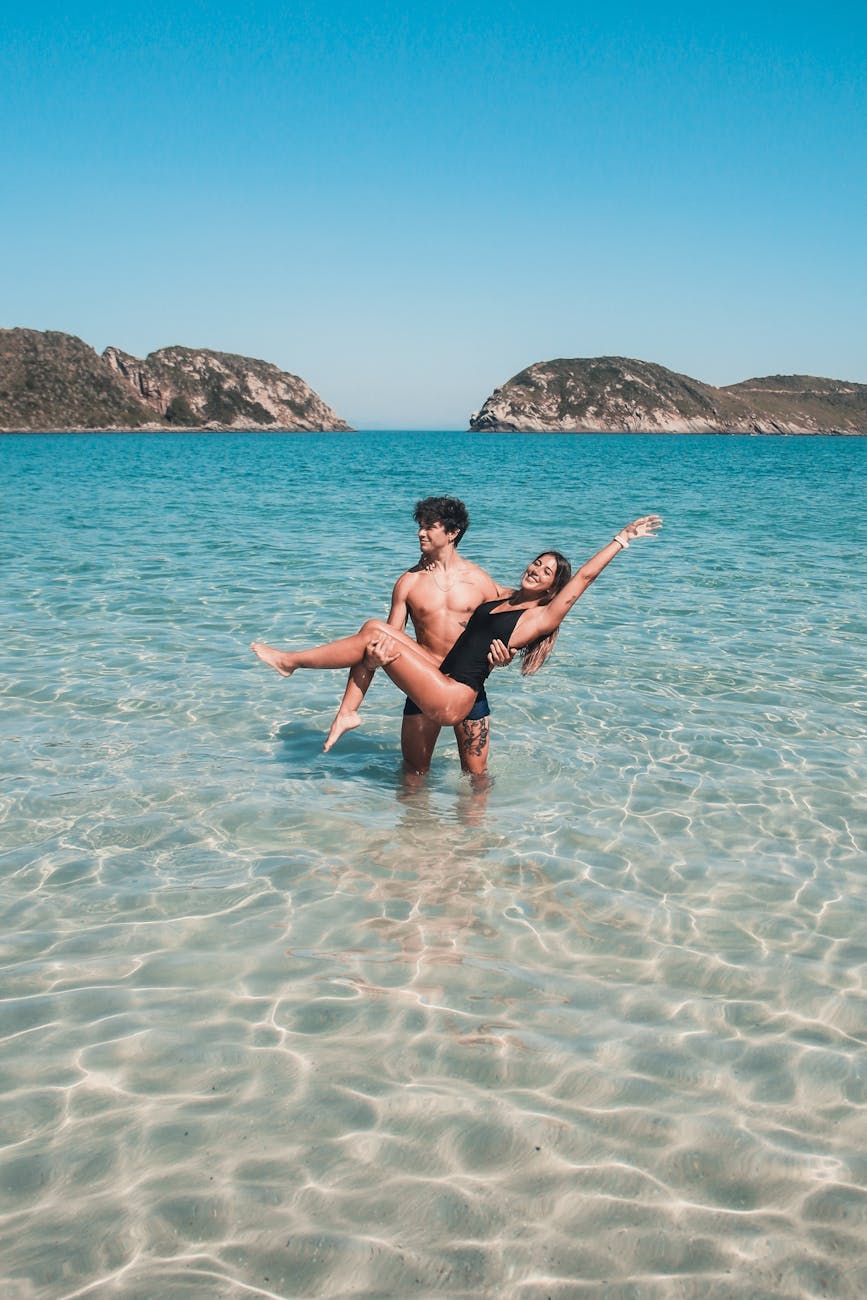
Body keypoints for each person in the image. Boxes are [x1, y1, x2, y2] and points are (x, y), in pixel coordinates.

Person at [251, 515, 662, 734]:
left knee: (376, 632)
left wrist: (622, 539)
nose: (536, 569)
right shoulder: (500, 596)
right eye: (537, 562)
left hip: (454, 697)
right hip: (437, 678)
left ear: (554, 588)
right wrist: (428, 564)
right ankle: (345, 712)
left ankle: (293, 662)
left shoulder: (541, 616)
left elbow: (584, 579)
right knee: (375, 627)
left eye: (547, 571)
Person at [324, 497, 512, 777]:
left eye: (429, 526)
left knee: (477, 776)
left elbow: (505, 628)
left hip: (467, 686)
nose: (420, 533)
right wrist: (374, 659)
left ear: (452, 532)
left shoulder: (481, 582)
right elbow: (392, 638)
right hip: (424, 683)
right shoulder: (408, 583)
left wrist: (504, 656)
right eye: (420, 526)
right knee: (413, 773)